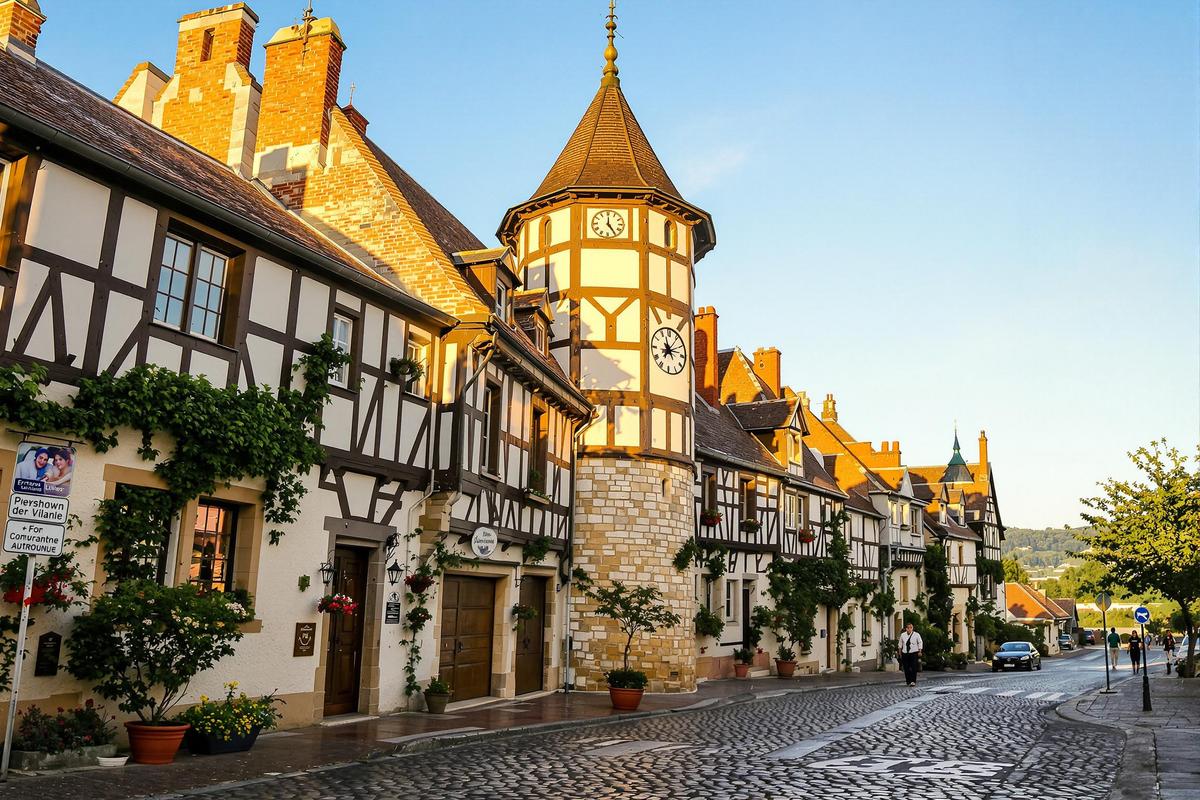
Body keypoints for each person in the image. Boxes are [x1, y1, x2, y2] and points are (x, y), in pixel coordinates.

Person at [898, 622, 923, 687]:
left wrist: (920, 651)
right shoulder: (903, 635)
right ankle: (908, 681)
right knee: (906, 668)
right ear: (906, 629)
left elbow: (920, 642)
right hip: (905, 653)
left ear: (912, 628)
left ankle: (913, 681)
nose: (909, 629)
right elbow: (900, 644)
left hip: (914, 652)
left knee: (913, 667)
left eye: (911, 628)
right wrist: (900, 652)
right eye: (908, 628)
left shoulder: (916, 635)